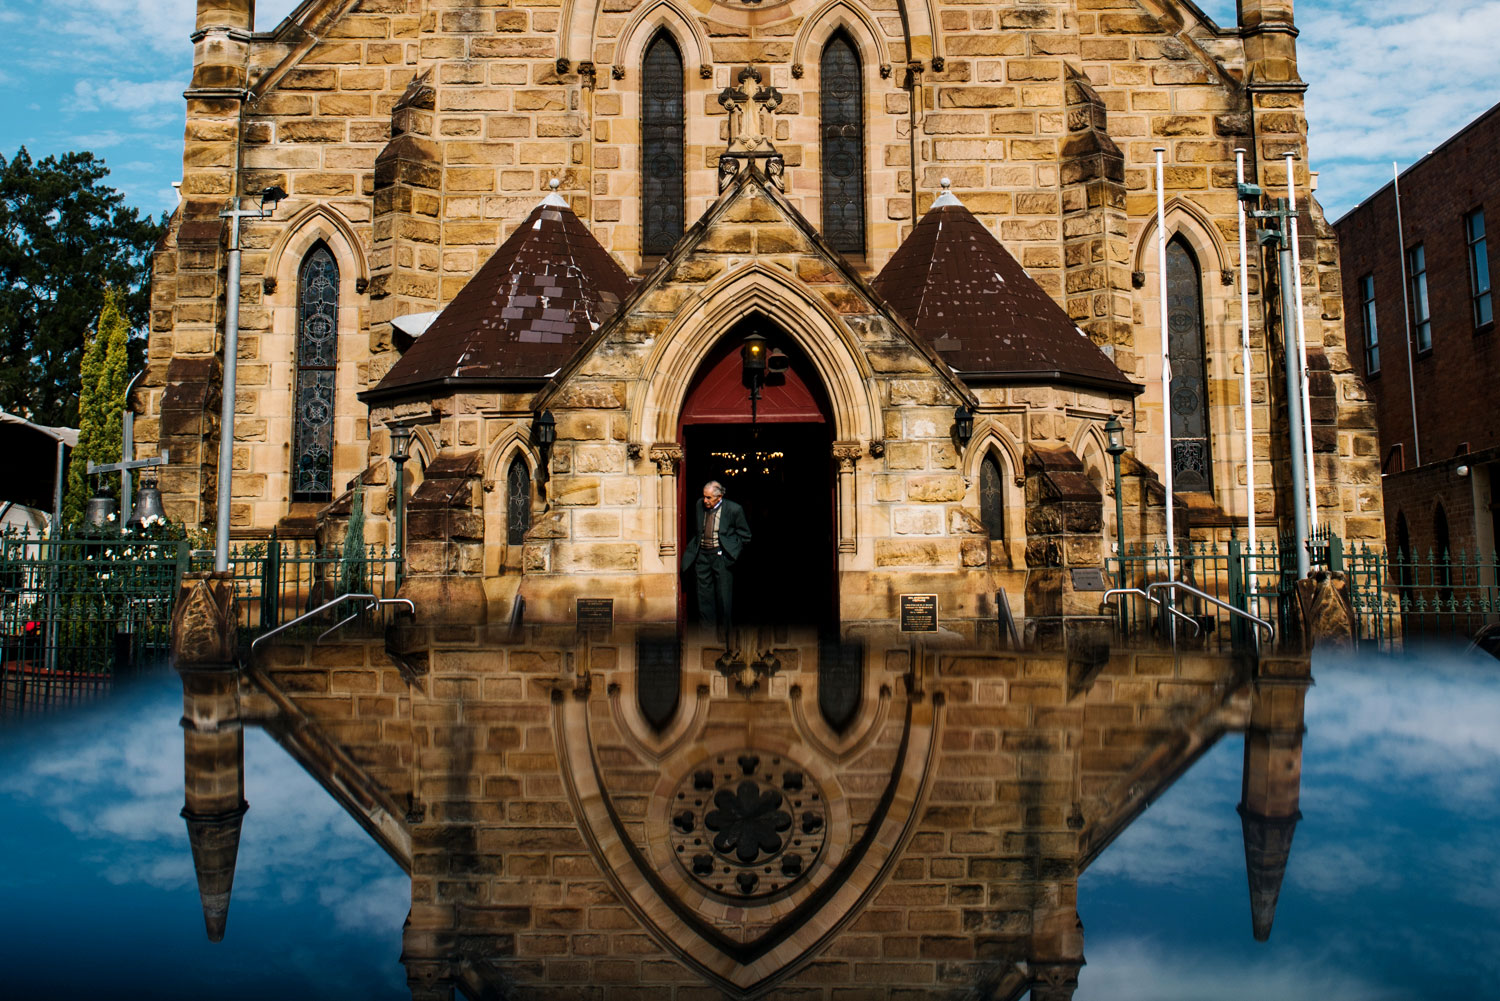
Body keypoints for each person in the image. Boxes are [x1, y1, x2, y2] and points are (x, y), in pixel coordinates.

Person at [682, 480, 752, 636]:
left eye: (709, 498)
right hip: (702, 556)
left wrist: (730, 552)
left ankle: (725, 635)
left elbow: (745, 535)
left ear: (719, 497)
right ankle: (707, 635)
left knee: (723, 597)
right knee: (704, 596)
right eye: (704, 497)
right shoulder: (699, 505)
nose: (705, 500)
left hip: (721, 556)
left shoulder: (734, 509)